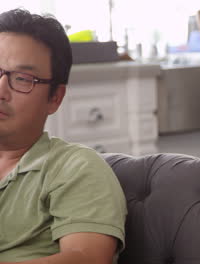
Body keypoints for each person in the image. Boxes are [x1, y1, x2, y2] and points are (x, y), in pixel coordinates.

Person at [0, 9, 126, 264]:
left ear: (55, 98)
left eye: (23, 78)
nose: (1, 90)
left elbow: (86, 258)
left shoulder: (74, 167)